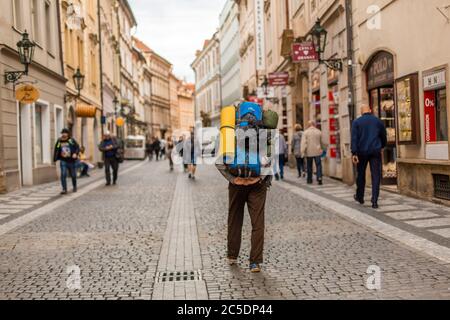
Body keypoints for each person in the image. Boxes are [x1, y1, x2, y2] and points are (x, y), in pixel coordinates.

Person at [351, 104, 387, 209]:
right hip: (375, 151)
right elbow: (383, 135)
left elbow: (354, 139)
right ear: (370, 110)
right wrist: (382, 146)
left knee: (361, 175)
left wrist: (354, 153)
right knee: (376, 176)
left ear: (361, 112)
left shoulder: (356, 122)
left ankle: (360, 197)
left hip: (362, 152)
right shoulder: (378, 121)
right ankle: (374, 201)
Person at [53, 128, 80, 195]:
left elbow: (77, 147)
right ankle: (64, 189)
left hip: (71, 160)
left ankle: (74, 186)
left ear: (68, 134)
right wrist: (55, 158)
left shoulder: (71, 140)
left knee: (73, 175)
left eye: (65, 133)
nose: (64, 134)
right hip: (63, 160)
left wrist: (75, 154)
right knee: (63, 174)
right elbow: (57, 148)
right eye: (63, 133)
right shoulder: (59, 141)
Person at [301, 121, 326, 185]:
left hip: (309, 152)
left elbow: (304, 143)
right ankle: (319, 177)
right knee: (318, 165)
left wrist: (302, 151)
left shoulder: (305, 132)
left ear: (309, 125)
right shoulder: (318, 131)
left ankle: (309, 179)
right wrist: (323, 149)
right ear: (314, 125)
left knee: (309, 166)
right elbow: (322, 142)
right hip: (317, 151)